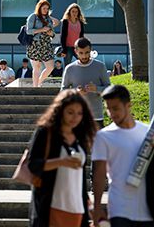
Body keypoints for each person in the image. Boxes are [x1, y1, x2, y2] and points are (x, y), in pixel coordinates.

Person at [27, 89, 96, 227]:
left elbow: (80, 176)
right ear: (60, 111)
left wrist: (89, 204)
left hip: (77, 208)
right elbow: (33, 165)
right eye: (70, 112)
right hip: (51, 205)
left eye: (79, 113)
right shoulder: (45, 132)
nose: (75, 117)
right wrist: (61, 162)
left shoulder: (80, 137)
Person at [92, 85, 154, 227]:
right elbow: (99, 175)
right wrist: (97, 208)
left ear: (128, 105)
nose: (112, 114)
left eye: (116, 108)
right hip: (119, 209)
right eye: (108, 109)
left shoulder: (147, 133)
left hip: (148, 209)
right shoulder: (103, 137)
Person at [61, 38, 111, 130]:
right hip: (76, 118)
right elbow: (63, 92)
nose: (84, 56)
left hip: (96, 117)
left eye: (87, 52)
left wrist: (96, 89)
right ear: (75, 51)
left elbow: (109, 90)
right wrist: (76, 92)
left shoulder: (100, 66)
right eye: (81, 53)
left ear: (91, 50)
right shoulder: (69, 69)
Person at [26, 0, 61, 87]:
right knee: (36, 68)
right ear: (39, 8)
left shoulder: (48, 19)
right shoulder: (33, 17)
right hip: (35, 44)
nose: (46, 10)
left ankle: (39, 82)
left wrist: (51, 33)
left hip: (46, 44)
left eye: (47, 8)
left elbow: (55, 28)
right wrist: (41, 30)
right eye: (44, 8)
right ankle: (35, 87)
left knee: (50, 67)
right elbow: (28, 31)